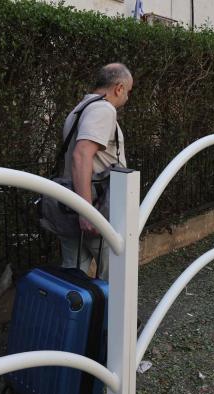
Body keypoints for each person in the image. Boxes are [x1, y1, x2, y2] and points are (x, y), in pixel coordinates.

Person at [59, 63, 133, 280]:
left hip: (72, 204)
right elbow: (81, 155)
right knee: (116, 278)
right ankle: (114, 315)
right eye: (128, 92)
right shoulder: (103, 109)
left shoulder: (80, 108)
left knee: (72, 277)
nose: (127, 98)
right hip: (99, 209)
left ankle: (76, 316)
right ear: (118, 88)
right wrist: (87, 211)